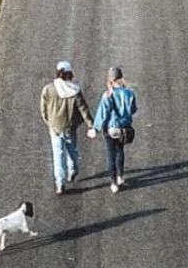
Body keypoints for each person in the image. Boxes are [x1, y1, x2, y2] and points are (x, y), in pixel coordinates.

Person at [40, 60, 94, 194]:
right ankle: (73, 172)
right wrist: (91, 125)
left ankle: (60, 183)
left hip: (54, 128)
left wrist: (49, 122)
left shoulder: (48, 89)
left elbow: (43, 109)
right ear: (70, 74)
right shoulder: (74, 90)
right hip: (70, 128)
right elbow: (83, 109)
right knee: (72, 151)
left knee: (58, 155)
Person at [92, 66, 138, 193]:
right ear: (121, 78)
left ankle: (113, 183)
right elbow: (133, 109)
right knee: (120, 152)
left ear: (110, 80)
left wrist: (95, 128)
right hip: (124, 128)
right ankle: (120, 177)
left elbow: (102, 113)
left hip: (110, 128)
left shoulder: (107, 95)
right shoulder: (129, 93)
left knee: (110, 155)